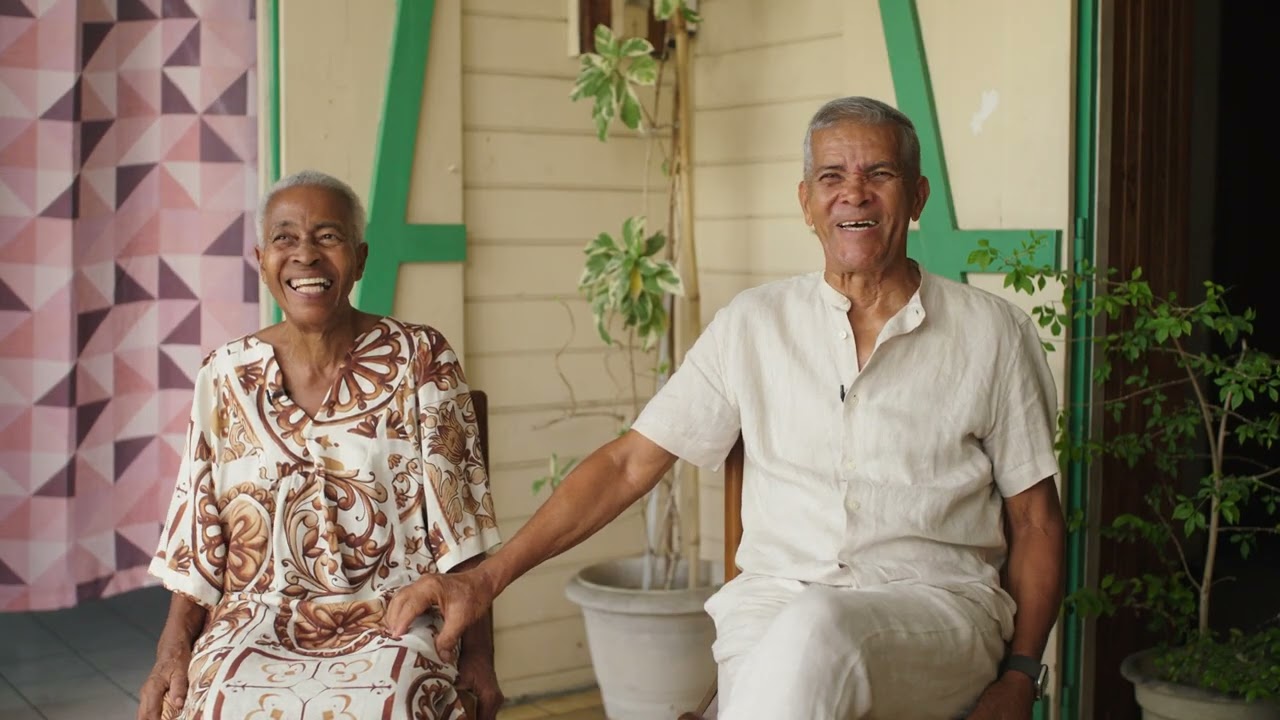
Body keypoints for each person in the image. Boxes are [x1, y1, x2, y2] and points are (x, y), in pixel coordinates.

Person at [385, 96, 1066, 720]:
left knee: (818, 629)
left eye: (877, 173)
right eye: (831, 177)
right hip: (768, 614)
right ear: (806, 203)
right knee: (797, 645)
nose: (852, 192)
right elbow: (629, 464)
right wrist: (485, 579)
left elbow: (1035, 521)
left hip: (937, 619)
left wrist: (1019, 674)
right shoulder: (755, 324)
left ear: (916, 196)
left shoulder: (992, 334)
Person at [139, 171, 504, 720]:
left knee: (394, 708)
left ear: (358, 259)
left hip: (394, 618)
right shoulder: (225, 375)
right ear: (262, 260)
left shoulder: (421, 359)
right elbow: (199, 536)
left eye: (327, 236)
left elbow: (463, 530)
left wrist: (480, 656)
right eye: (285, 238)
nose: (305, 255)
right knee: (209, 706)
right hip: (255, 624)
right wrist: (171, 650)